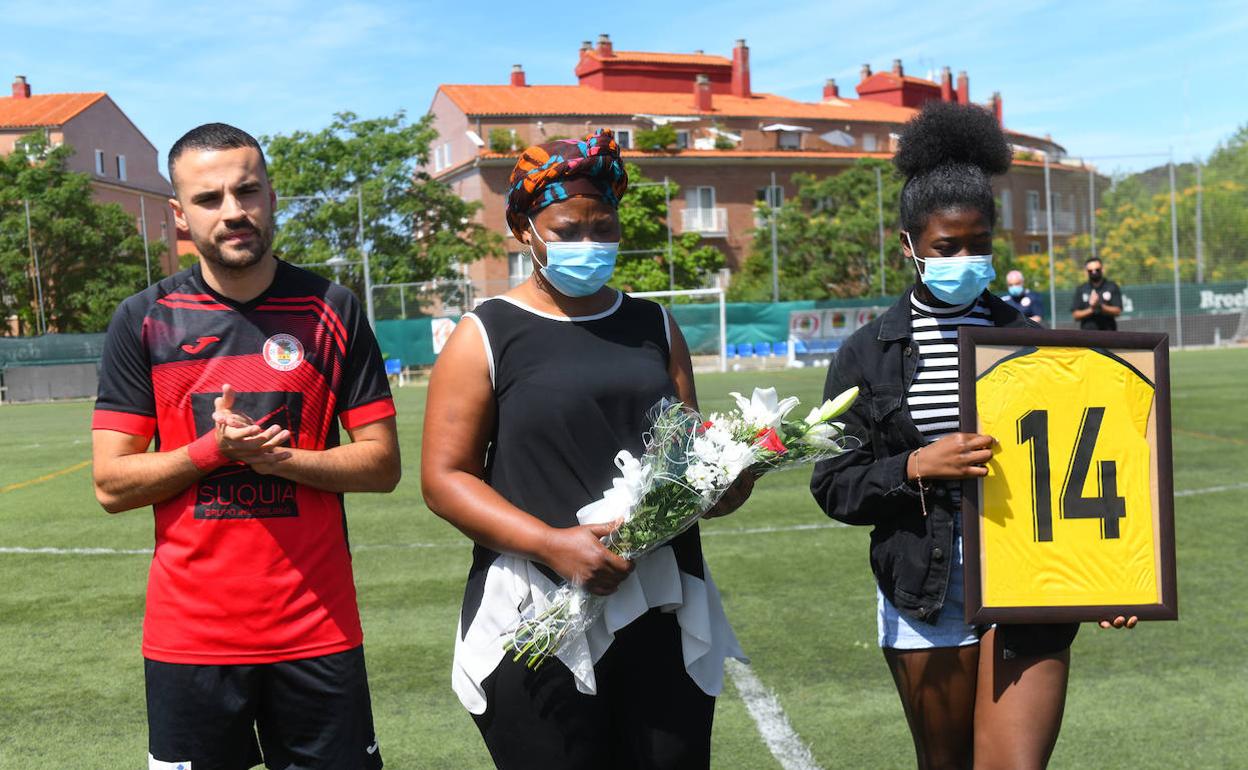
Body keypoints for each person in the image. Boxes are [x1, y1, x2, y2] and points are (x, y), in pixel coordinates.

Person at [809, 102, 1134, 770]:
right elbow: (834, 485)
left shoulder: (1038, 345)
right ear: (909, 246)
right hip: (928, 591)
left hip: (1032, 584)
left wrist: (1111, 580)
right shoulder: (868, 354)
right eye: (945, 248)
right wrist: (916, 466)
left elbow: (1086, 469)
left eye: (979, 243)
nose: (965, 258)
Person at [421, 129, 754, 770]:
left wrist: (729, 480)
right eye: (568, 228)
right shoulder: (485, 333)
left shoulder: (654, 324)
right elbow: (443, 479)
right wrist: (552, 545)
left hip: (659, 604)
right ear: (525, 229)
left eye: (603, 227)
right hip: (536, 612)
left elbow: (690, 455)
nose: (589, 244)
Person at [91, 123, 400, 770]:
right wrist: (213, 452)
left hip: (319, 631)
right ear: (180, 214)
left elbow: (381, 465)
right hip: (192, 640)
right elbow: (110, 485)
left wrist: (279, 459)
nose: (233, 212)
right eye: (209, 199)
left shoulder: (333, 309)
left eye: (248, 191)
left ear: (271, 196)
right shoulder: (143, 320)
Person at [1071, 257, 1123, 330]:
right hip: (1087, 335)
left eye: (1097, 270)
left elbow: (1118, 311)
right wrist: (1092, 309)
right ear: (1086, 272)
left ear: (1102, 269)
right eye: (1090, 271)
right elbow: (1075, 314)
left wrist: (1100, 306)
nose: (1094, 272)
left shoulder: (1112, 287)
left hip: (1108, 334)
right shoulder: (1081, 289)